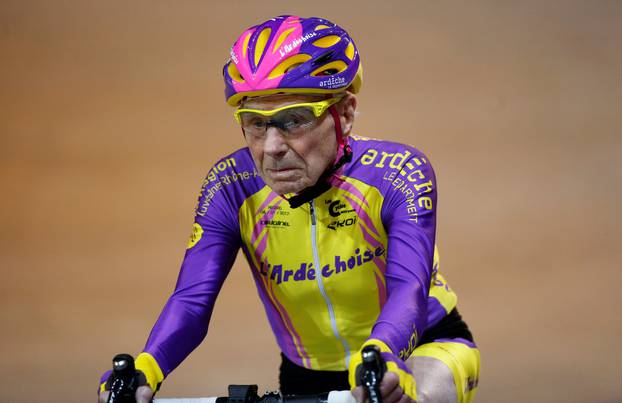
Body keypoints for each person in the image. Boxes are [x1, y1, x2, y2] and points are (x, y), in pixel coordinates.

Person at [98, 15, 480, 403]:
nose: (271, 148)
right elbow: (192, 300)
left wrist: (383, 354)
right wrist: (146, 368)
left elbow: (409, 288)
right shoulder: (230, 187)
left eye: (293, 120)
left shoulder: (398, 174)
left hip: (418, 349)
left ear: (344, 114)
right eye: (255, 124)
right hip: (304, 374)